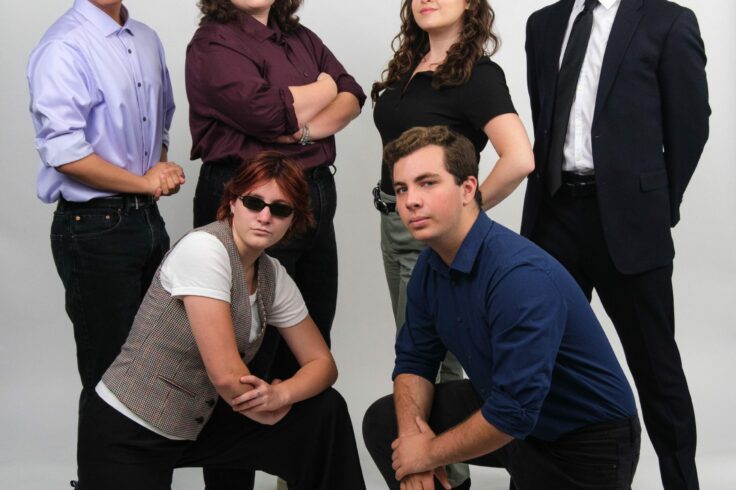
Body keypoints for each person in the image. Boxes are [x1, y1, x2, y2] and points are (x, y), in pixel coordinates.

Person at [362, 126, 641, 490]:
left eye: (427, 183)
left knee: (439, 441)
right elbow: (414, 362)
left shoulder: (519, 278)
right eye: (401, 189)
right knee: (386, 422)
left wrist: (428, 454)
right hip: (508, 412)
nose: (411, 200)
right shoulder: (430, 268)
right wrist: (413, 444)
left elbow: (514, 413)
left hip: (585, 443)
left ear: (467, 189)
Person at [75, 151, 366, 490]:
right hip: (134, 428)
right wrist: (266, 406)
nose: (265, 217)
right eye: (254, 203)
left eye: (280, 209)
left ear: (292, 220)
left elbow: (323, 364)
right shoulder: (205, 249)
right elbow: (226, 375)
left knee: (323, 411)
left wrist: (282, 394)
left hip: (202, 422)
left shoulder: (272, 275)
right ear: (232, 203)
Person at [523, 1, 709, 488]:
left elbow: (691, 123)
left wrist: (656, 203)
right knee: (536, 362)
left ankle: (681, 481)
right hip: (553, 216)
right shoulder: (543, 24)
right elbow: (544, 118)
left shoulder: (667, 21)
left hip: (629, 222)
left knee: (656, 368)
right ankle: (534, 479)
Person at [371, 3, 533, 485]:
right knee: (419, 356)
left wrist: (461, 212)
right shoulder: (410, 66)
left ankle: (442, 476)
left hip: (428, 232)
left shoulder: (477, 75)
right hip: (394, 224)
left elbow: (519, 157)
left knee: (433, 366)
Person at [27, 0, 183, 483]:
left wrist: (156, 173)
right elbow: (64, 151)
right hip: (94, 227)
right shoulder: (63, 45)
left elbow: (162, 118)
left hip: (147, 220)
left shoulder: (147, 39)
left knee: (157, 368)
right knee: (110, 376)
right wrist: (144, 181)